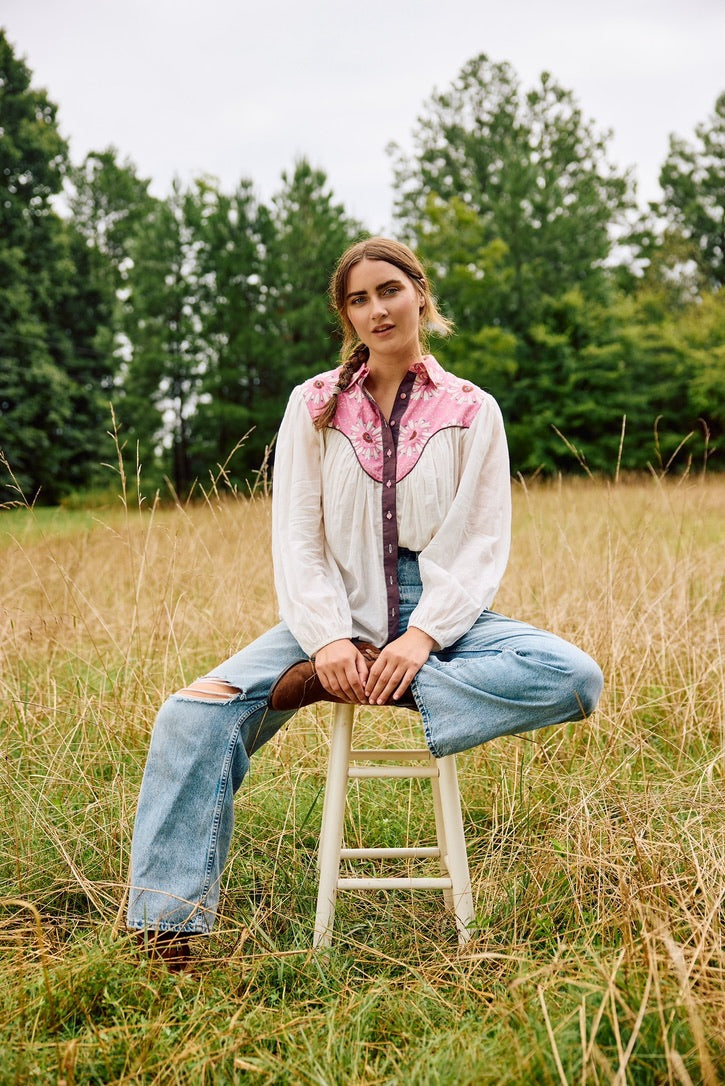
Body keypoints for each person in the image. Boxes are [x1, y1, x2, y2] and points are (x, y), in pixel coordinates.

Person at [127, 237, 603, 969]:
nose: (376, 309)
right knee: (190, 712)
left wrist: (421, 640)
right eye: (357, 299)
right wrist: (323, 642)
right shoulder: (313, 405)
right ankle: (168, 933)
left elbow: (479, 544)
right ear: (345, 316)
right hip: (330, 617)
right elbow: (298, 537)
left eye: (388, 290)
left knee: (574, 677)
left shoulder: (472, 410)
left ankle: (396, 684)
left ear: (419, 293)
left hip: (441, 617)